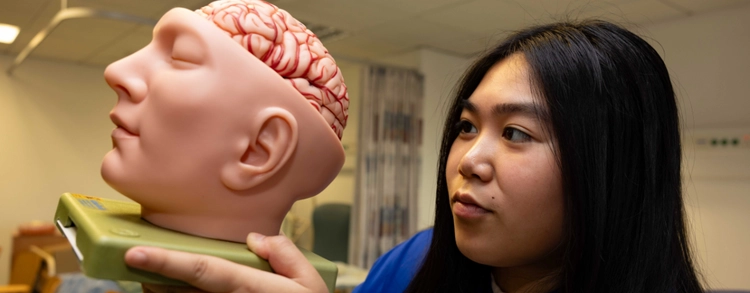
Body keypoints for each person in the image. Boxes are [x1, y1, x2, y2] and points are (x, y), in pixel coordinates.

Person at [123, 19, 704, 293]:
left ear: (614, 169)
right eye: (467, 126)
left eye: (518, 134)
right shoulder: (413, 265)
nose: (470, 160)